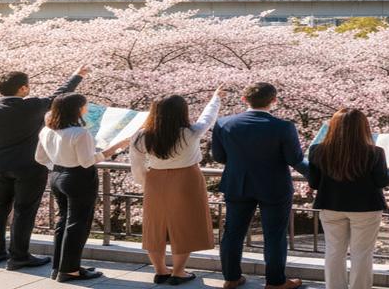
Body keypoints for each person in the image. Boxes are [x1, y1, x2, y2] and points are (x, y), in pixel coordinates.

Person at [0, 65, 91, 270]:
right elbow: (60, 95)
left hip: (0, 166)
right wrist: (77, 76)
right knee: (24, 210)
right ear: (23, 88)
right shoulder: (33, 106)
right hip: (30, 167)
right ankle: (19, 256)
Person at [211, 82, 307, 289]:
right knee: (274, 234)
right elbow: (295, 159)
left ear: (244, 100)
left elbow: (218, 156)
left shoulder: (223, 123)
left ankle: (231, 277)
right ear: (273, 100)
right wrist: (319, 174)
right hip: (274, 186)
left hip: (238, 184)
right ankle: (275, 282)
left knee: (233, 232)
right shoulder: (283, 127)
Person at [129, 89, 223, 286]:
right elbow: (208, 117)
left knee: (155, 227)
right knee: (184, 225)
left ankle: (160, 271)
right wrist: (215, 98)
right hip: (187, 178)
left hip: (154, 180)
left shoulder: (141, 136)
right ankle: (178, 272)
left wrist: (147, 183)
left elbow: (136, 167)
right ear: (182, 111)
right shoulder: (191, 133)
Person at [35, 92, 128, 283]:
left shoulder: (47, 130)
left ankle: (59, 267)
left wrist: (58, 165)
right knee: (78, 224)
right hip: (79, 177)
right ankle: (70, 270)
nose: (87, 108)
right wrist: (111, 150)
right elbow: (86, 162)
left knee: (63, 221)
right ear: (77, 109)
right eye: (85, 105)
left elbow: (40, 158)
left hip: (56, 176)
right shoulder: (79, 133)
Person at [307, 109, 389, 289]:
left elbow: (315, 183)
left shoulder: (317, 150)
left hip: (331, 205)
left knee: (334, 251)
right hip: (366, 208)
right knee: (362, 253)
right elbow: (381, 180)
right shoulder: (375, 152)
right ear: (363, 128)